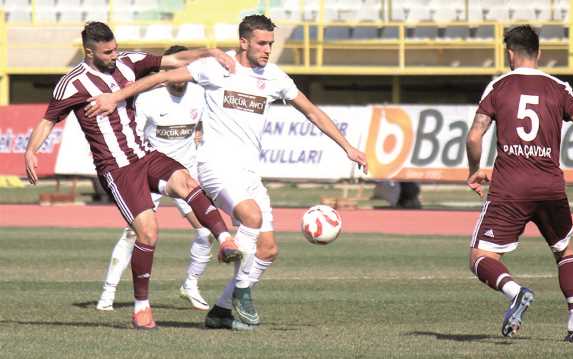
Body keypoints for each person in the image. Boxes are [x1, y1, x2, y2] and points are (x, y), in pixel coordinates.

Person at [86, 14, 368, 331]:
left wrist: (347, 147)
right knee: (251, 218)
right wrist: (116, 96)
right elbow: (158, 79)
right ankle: (242, 290)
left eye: (271, 44)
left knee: (268, 249)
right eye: (262, 43)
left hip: (249, 171)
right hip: (215, 165)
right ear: (243, 42)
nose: (267, 50)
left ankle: (220, 310)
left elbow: (312, 111)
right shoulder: (216, 68)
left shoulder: (275, 77)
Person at [24, 22, 243, 330]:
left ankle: (225, 240)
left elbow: (176, 60)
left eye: (116, 48)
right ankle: (141, 307)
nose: (115, 55)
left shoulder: (129, 62)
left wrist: (211, 52)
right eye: (108, 52)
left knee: (187, 182)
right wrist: (32, 150)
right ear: (90, 52)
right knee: (148, 232)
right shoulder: (71, 84)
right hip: (117, 169)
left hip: (145, 154)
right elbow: (48, 120)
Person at [466, 25, 573, 343]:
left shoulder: (498, 87)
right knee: (565, 250)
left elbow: (474, 135)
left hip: (510, 187)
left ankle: (515, 292)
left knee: (480, 256)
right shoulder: (559, 88)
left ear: (509, 53)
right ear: (539, 53)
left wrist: (474, 169)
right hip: (550, 187)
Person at [96, 45, 228, 312]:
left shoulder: (200, 95)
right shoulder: (148, 99)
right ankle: (108, 293)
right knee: (134, 234)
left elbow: (205, 123)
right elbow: (131, 135)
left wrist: (201, 136)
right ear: (164, 72)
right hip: (149, 171)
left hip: (184, 174)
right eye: (172, 71)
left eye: (182, 72)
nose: (178, 77)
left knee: (205, 232)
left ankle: (190, 285)